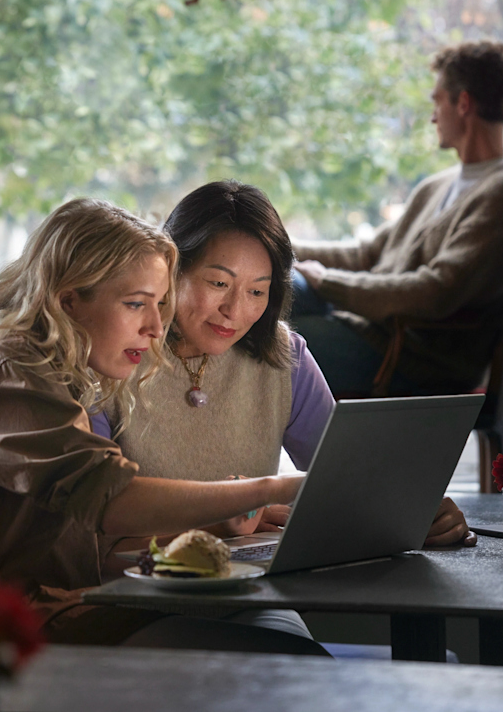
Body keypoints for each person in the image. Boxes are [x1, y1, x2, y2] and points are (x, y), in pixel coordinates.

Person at [0, 197, 310, 646]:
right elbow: (111, 500)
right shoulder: (6, 377)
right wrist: (274, 488)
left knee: (278, 649)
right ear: (69, 301)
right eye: (137, 304)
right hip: (3, 633)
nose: (156, 327)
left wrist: (215, 532)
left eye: (159, 305)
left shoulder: (60, 375)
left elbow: (90, 548)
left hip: (72, 606)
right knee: (273, 656)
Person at [107, 181, 474, 569]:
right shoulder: (114, 353)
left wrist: (419, 511)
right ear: (171, 266)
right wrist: (220, 526)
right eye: (219, 283)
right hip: (135, 591)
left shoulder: (284, 357)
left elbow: (346, 479)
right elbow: (92, 533)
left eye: (257, 292)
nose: (235, 309)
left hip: (253, 589)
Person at [291, 40, 503, 397]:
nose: (432, 115)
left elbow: (436, 291)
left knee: (264, 338)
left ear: (463, 104)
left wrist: (328, 283)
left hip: (412, 360)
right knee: (274, 281)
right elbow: (367, 254)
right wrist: (276, 244)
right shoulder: (439, 185)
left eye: (437, 100)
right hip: (369, 331)